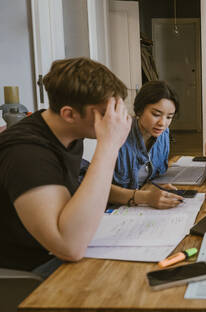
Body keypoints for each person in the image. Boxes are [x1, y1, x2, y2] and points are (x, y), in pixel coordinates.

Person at [0, 57, 131, 273]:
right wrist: (109, 146)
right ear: (69, 114)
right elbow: (69, 247)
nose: (115, 119)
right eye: (105, 112)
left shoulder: (67, 133)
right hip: (27, 271)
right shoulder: (26, 154)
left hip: (53, 254)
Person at [108, 80, 184, 209]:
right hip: (117, 210)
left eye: (169, 117)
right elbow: (100, 188)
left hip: (142, 205)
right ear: (140, 110)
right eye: (156, 114)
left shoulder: (163, 134)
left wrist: (154, 188)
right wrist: (146, 197)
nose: (162, 123)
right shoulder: (117, 135)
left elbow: (148, 177)